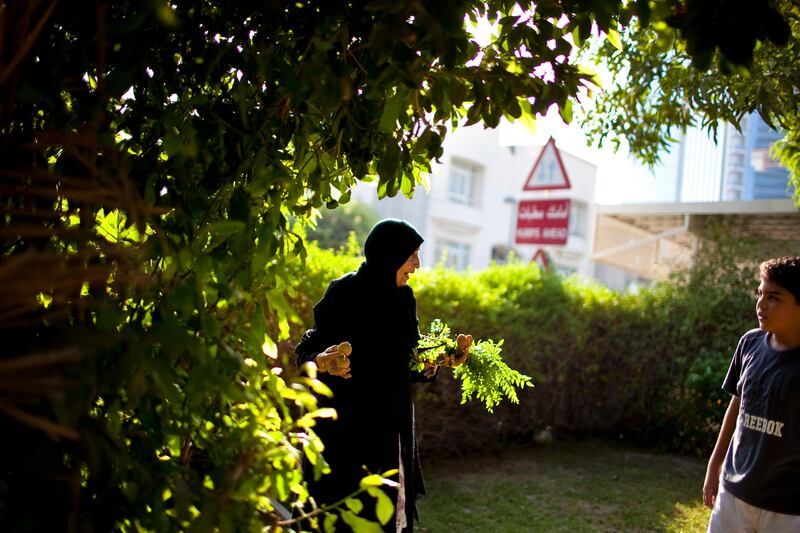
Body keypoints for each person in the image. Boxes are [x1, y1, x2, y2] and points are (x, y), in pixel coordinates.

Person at [295, 219, 470, 532]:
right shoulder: (344, 292)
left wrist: (438, 360)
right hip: (345, 436)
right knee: (346, 515)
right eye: (411, 255)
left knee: (387, 517)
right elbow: (307, 350)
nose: (417, 265)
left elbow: (409, 359)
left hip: (391, 431)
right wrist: (324, 361)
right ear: (389, 256)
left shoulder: (405, 298)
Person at [703, 256, 800, 532]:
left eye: (774, 297)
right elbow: (736, 407)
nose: (761, 304)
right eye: (760, 293)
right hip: (734, 494)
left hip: (789, 510)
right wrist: (714, 466)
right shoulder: (749, 344)